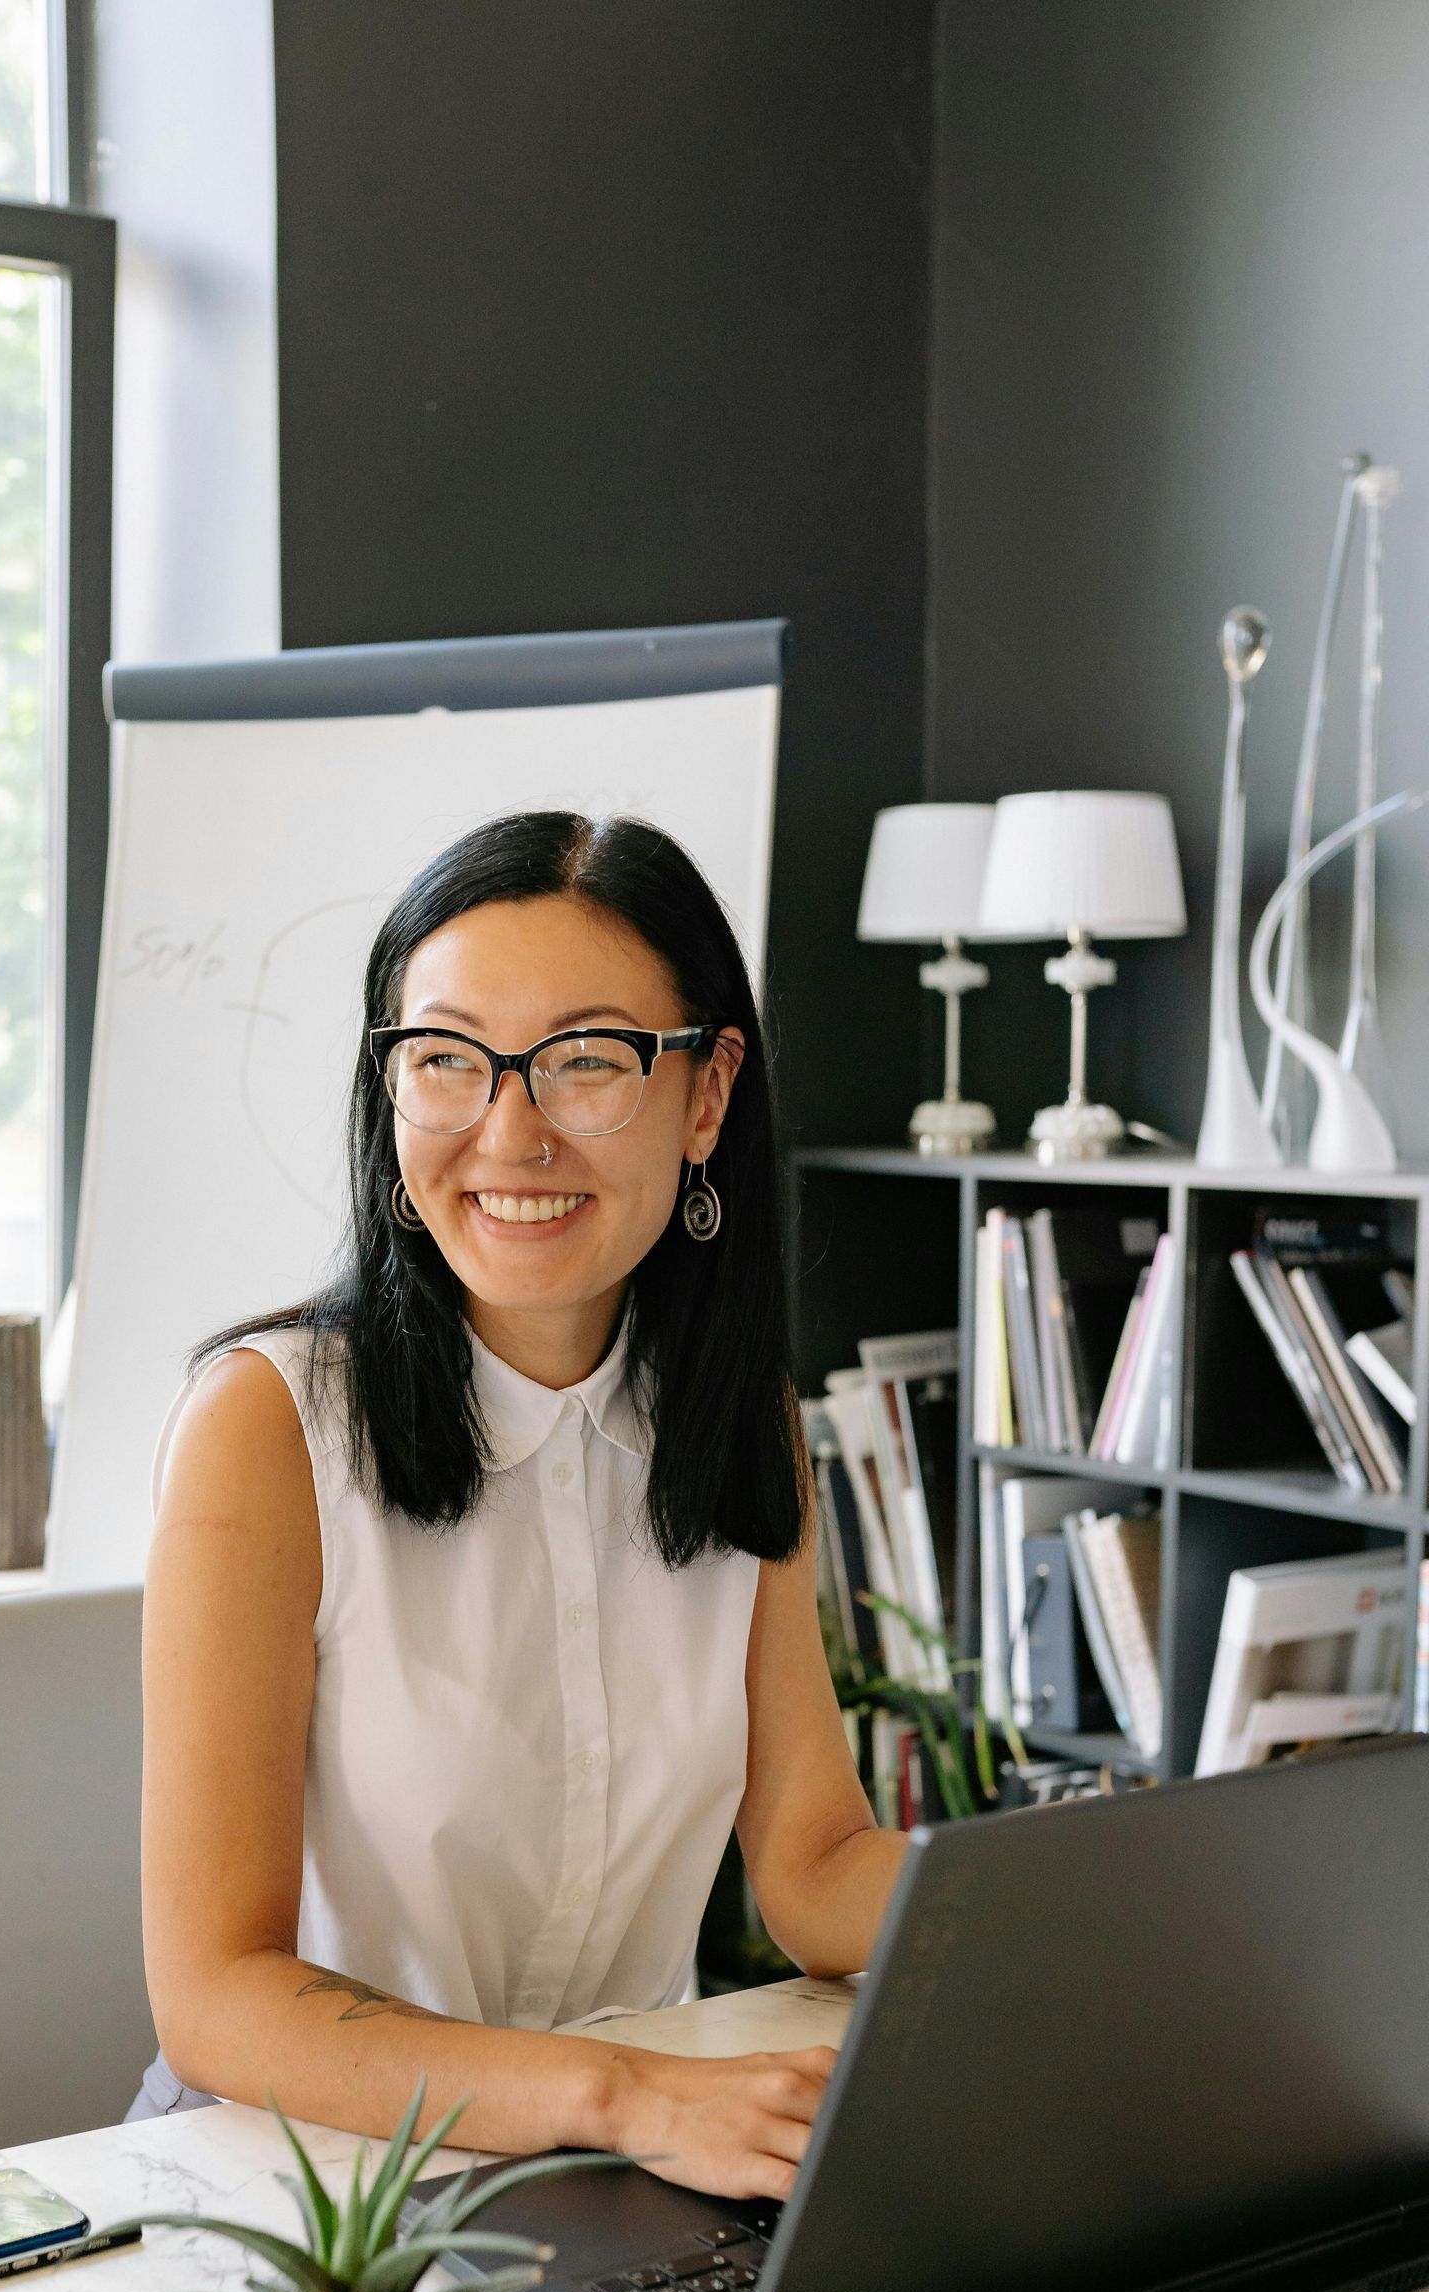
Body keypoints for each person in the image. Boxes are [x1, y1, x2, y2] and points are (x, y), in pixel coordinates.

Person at [135, 811, 905, 2200]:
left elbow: (814, 1863)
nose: (509, 1133)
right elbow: (216, 1993)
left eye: (588, 1060)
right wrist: (616, 2096)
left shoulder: (741, 1420)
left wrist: (1080, 1914)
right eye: (446, 1059)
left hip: (619, 2166)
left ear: (708, 1095)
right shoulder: (265, 1427)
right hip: (306, 2182)